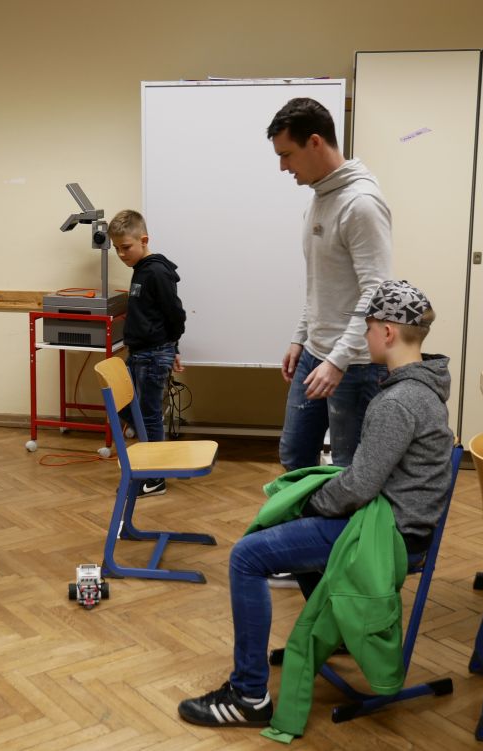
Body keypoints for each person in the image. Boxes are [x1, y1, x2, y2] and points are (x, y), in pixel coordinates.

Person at [177, 279, 454, 729]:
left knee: (247, 556)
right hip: (398, 525)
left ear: (387, 332)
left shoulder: (399, 400)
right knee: (288, 531)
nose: (364, 337)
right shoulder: (424, 386)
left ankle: (248, 696)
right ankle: (337, 632)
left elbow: (359, 485)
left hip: (388, 538)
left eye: (367, 328)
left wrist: (312, 505)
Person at [268, 97, 392, 472]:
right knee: (295, 457)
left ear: (315, 142)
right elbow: (320, 283)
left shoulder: (361, 203)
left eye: (287, 155)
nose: (282, 166)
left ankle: (339, 517)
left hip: (354, 364)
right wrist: (300, 337)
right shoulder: (319, 200)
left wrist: (337, 361)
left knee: (347, 469)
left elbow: (376, 293)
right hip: (315, 352)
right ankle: (304, 516)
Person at [108, 209, 186, 497]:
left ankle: (155, 478)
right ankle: (152, 464)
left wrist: (172, 346)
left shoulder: (156, 272)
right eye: (116, 248)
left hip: (153, 354)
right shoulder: (141, 269)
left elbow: (175, 314)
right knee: (125, 406)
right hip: (141, 353)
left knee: (148, 415)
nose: (121, 254)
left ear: (144, 240)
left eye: (126, 247)